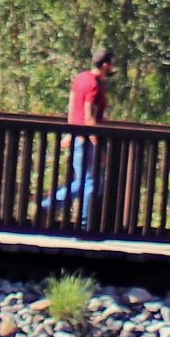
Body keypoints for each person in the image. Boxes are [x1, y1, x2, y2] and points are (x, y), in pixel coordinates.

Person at [45, 50, 109, 224]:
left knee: (85, 182)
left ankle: (48, 205)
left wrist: (70, 130)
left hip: (77, 137)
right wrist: (98, 147)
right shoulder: (94, 85)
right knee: (90, 184)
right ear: (105, 65)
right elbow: (89, 117)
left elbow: (72, 105)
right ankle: (83, 224)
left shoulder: (81, 78)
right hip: (86, 140)